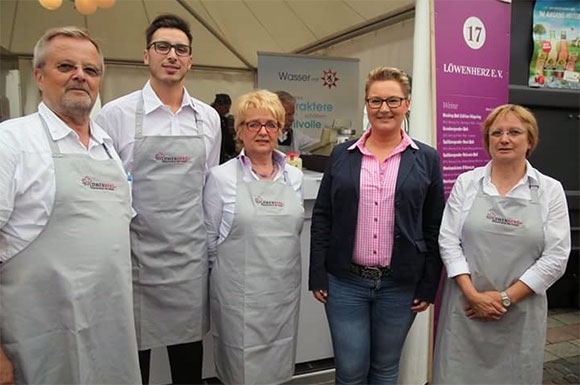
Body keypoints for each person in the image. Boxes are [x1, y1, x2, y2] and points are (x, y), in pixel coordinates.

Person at [0, 27, 140, 384]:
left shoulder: (108, 148)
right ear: (39, 76)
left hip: (110, 337)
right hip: (39, 343)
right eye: (66, 66)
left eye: (91, 70)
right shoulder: (12, 142)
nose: (80, 76)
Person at [96, 14, 221, 385]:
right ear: (146, 56)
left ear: (190, 59)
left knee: (188, 366)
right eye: (162, 47)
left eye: (181, 49)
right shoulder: (114, 115)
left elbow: (206, 190)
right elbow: (105, 192)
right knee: (134, 367)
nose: (172, 55)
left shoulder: (208, 119)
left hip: (188, 261)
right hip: (135, 261)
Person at [309, 66, 445, 385]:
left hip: (400, 286)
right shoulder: (342, 155)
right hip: (345, 284)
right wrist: (318, 274)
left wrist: (428, 285)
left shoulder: (426, 158)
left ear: (407, 104)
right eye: (376, 101)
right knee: (350, 370)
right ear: (367, 105)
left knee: (385, 369)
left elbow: (434, 226)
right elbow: (323, 217)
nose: (384, 108)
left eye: (393, 100)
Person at [433, 104, 571, 385]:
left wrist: (504, 298)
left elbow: (556, 257)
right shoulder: (467, 183)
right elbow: (448, 241)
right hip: (466, 307)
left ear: (530, 141)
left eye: (514, 132)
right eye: (496, 133)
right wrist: (473, 295)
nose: (504, 139)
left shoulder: (550, 190)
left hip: (519, 312)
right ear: (487, 141)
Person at [204, 90, 304, 384]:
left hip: (282, 297)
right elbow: (210, 241)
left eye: (271, 124)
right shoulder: (220, 177)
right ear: (239, 131)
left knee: (279, 367)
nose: (263, 131)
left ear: (281, 130)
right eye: (253, 124)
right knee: (240, 371)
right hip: (239, 300)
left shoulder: (293, 177)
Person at [211, 93, 237, 163]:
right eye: (225, 108)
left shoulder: (224, 120)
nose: (227, 111)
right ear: (217, 106)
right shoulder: (210, 118)